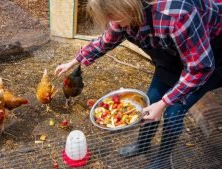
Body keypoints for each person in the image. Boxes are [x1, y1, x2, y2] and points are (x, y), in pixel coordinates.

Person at [54, 0, 222, 168]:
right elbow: (105, 41)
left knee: (173, 111)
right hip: (173, 56)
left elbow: (200, 67)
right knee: (150, 100)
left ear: (127, 6)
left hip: (207, 56)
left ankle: (162, 159)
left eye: (111, 15)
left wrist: (164, 102)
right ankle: (142, 145)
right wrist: (74, 61)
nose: (109, 20)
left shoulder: (177, 14)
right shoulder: (124, 18)